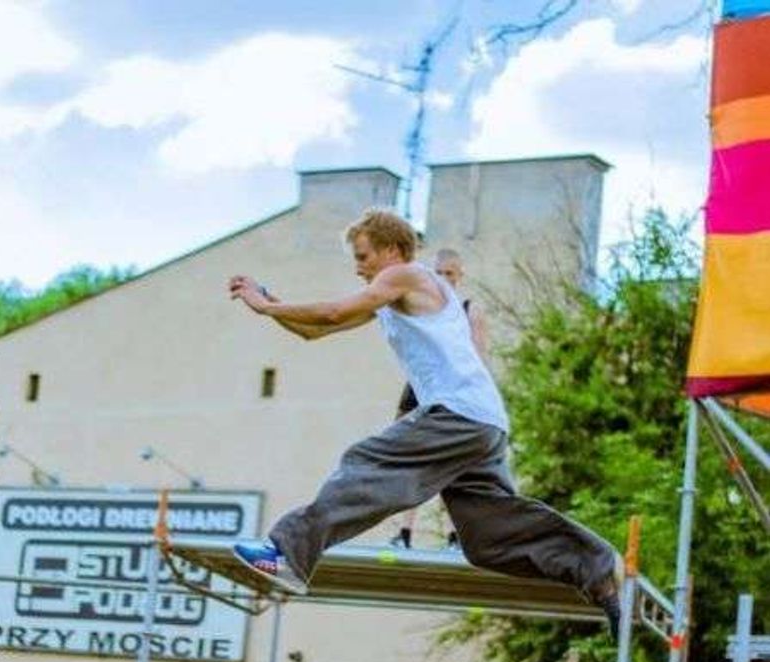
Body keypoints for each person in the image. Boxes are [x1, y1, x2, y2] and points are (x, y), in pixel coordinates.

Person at [228, 208, 623, 635]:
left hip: (456, 413)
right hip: (482, 424)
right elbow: (314, 331)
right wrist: (270, 304)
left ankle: (287, 553)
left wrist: (268, 306)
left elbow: (332, 313)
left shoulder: (408, 275)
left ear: (392, 250)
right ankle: (596, 568)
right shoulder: (394, 295)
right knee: (488, 534)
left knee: (368, 463)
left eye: (363, 257)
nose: (357, 268)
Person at [390, 248, 486, 551]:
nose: (444, 278)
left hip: (454, 394)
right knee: (409, 461)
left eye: (450, 273)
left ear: (459, 276)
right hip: (420, 391)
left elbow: (479, 357)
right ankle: (403, 533)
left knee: (451, 465)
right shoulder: (420, 307)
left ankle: (454, 536)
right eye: (439, 273)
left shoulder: (469, 310)